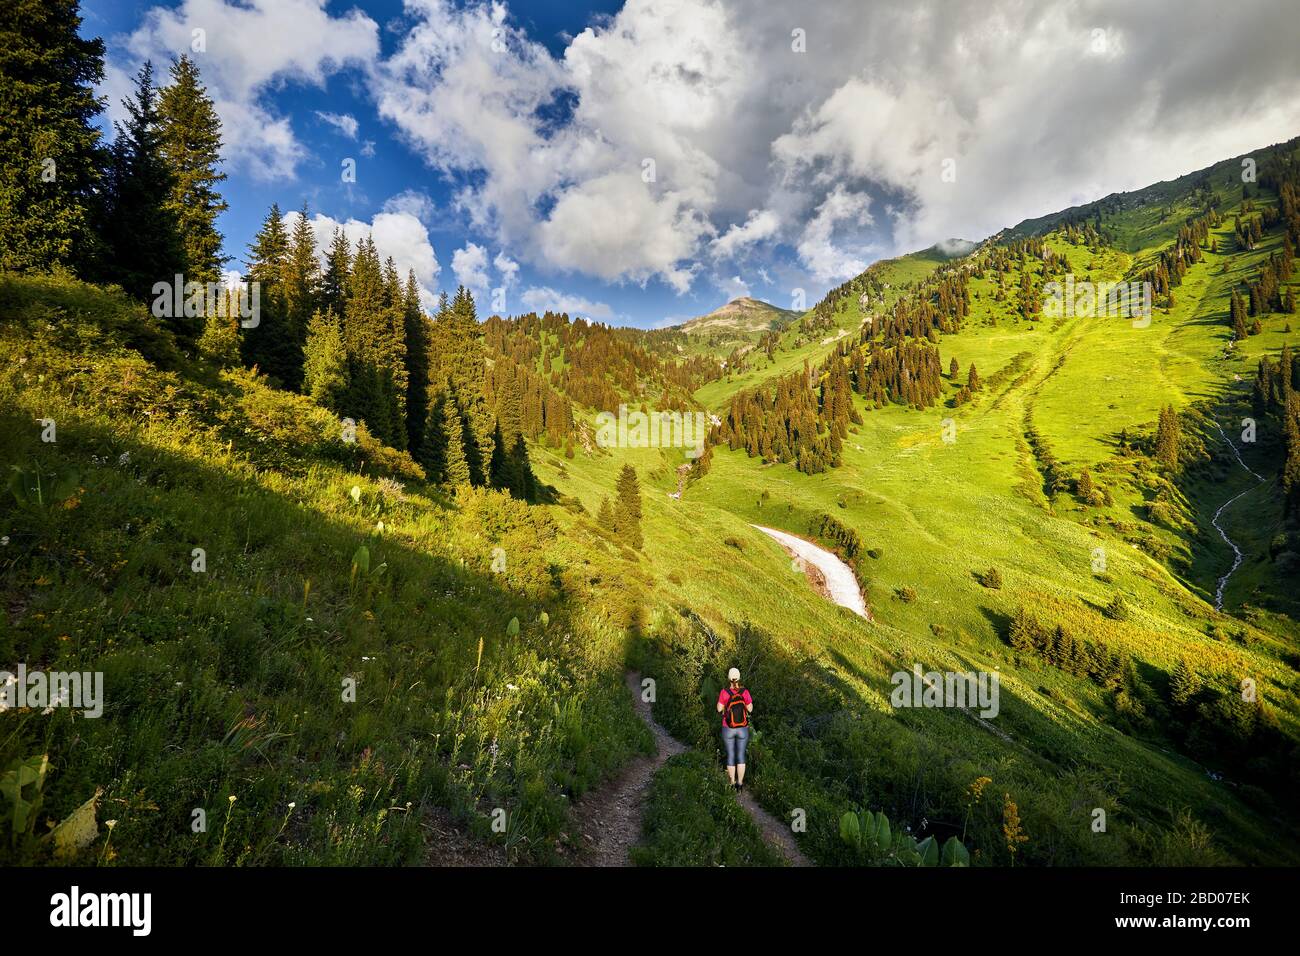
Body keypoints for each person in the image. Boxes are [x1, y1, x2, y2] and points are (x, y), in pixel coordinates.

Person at [717, 667, 753, 790]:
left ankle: (732, 783)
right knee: (741, 755)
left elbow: (718, 709)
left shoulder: (724, 692)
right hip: (743, 727)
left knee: (731, 755)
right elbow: (750, 709)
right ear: (739, 678)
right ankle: (740, 784)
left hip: (728, 727)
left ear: (728, 678)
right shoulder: (745, 692)